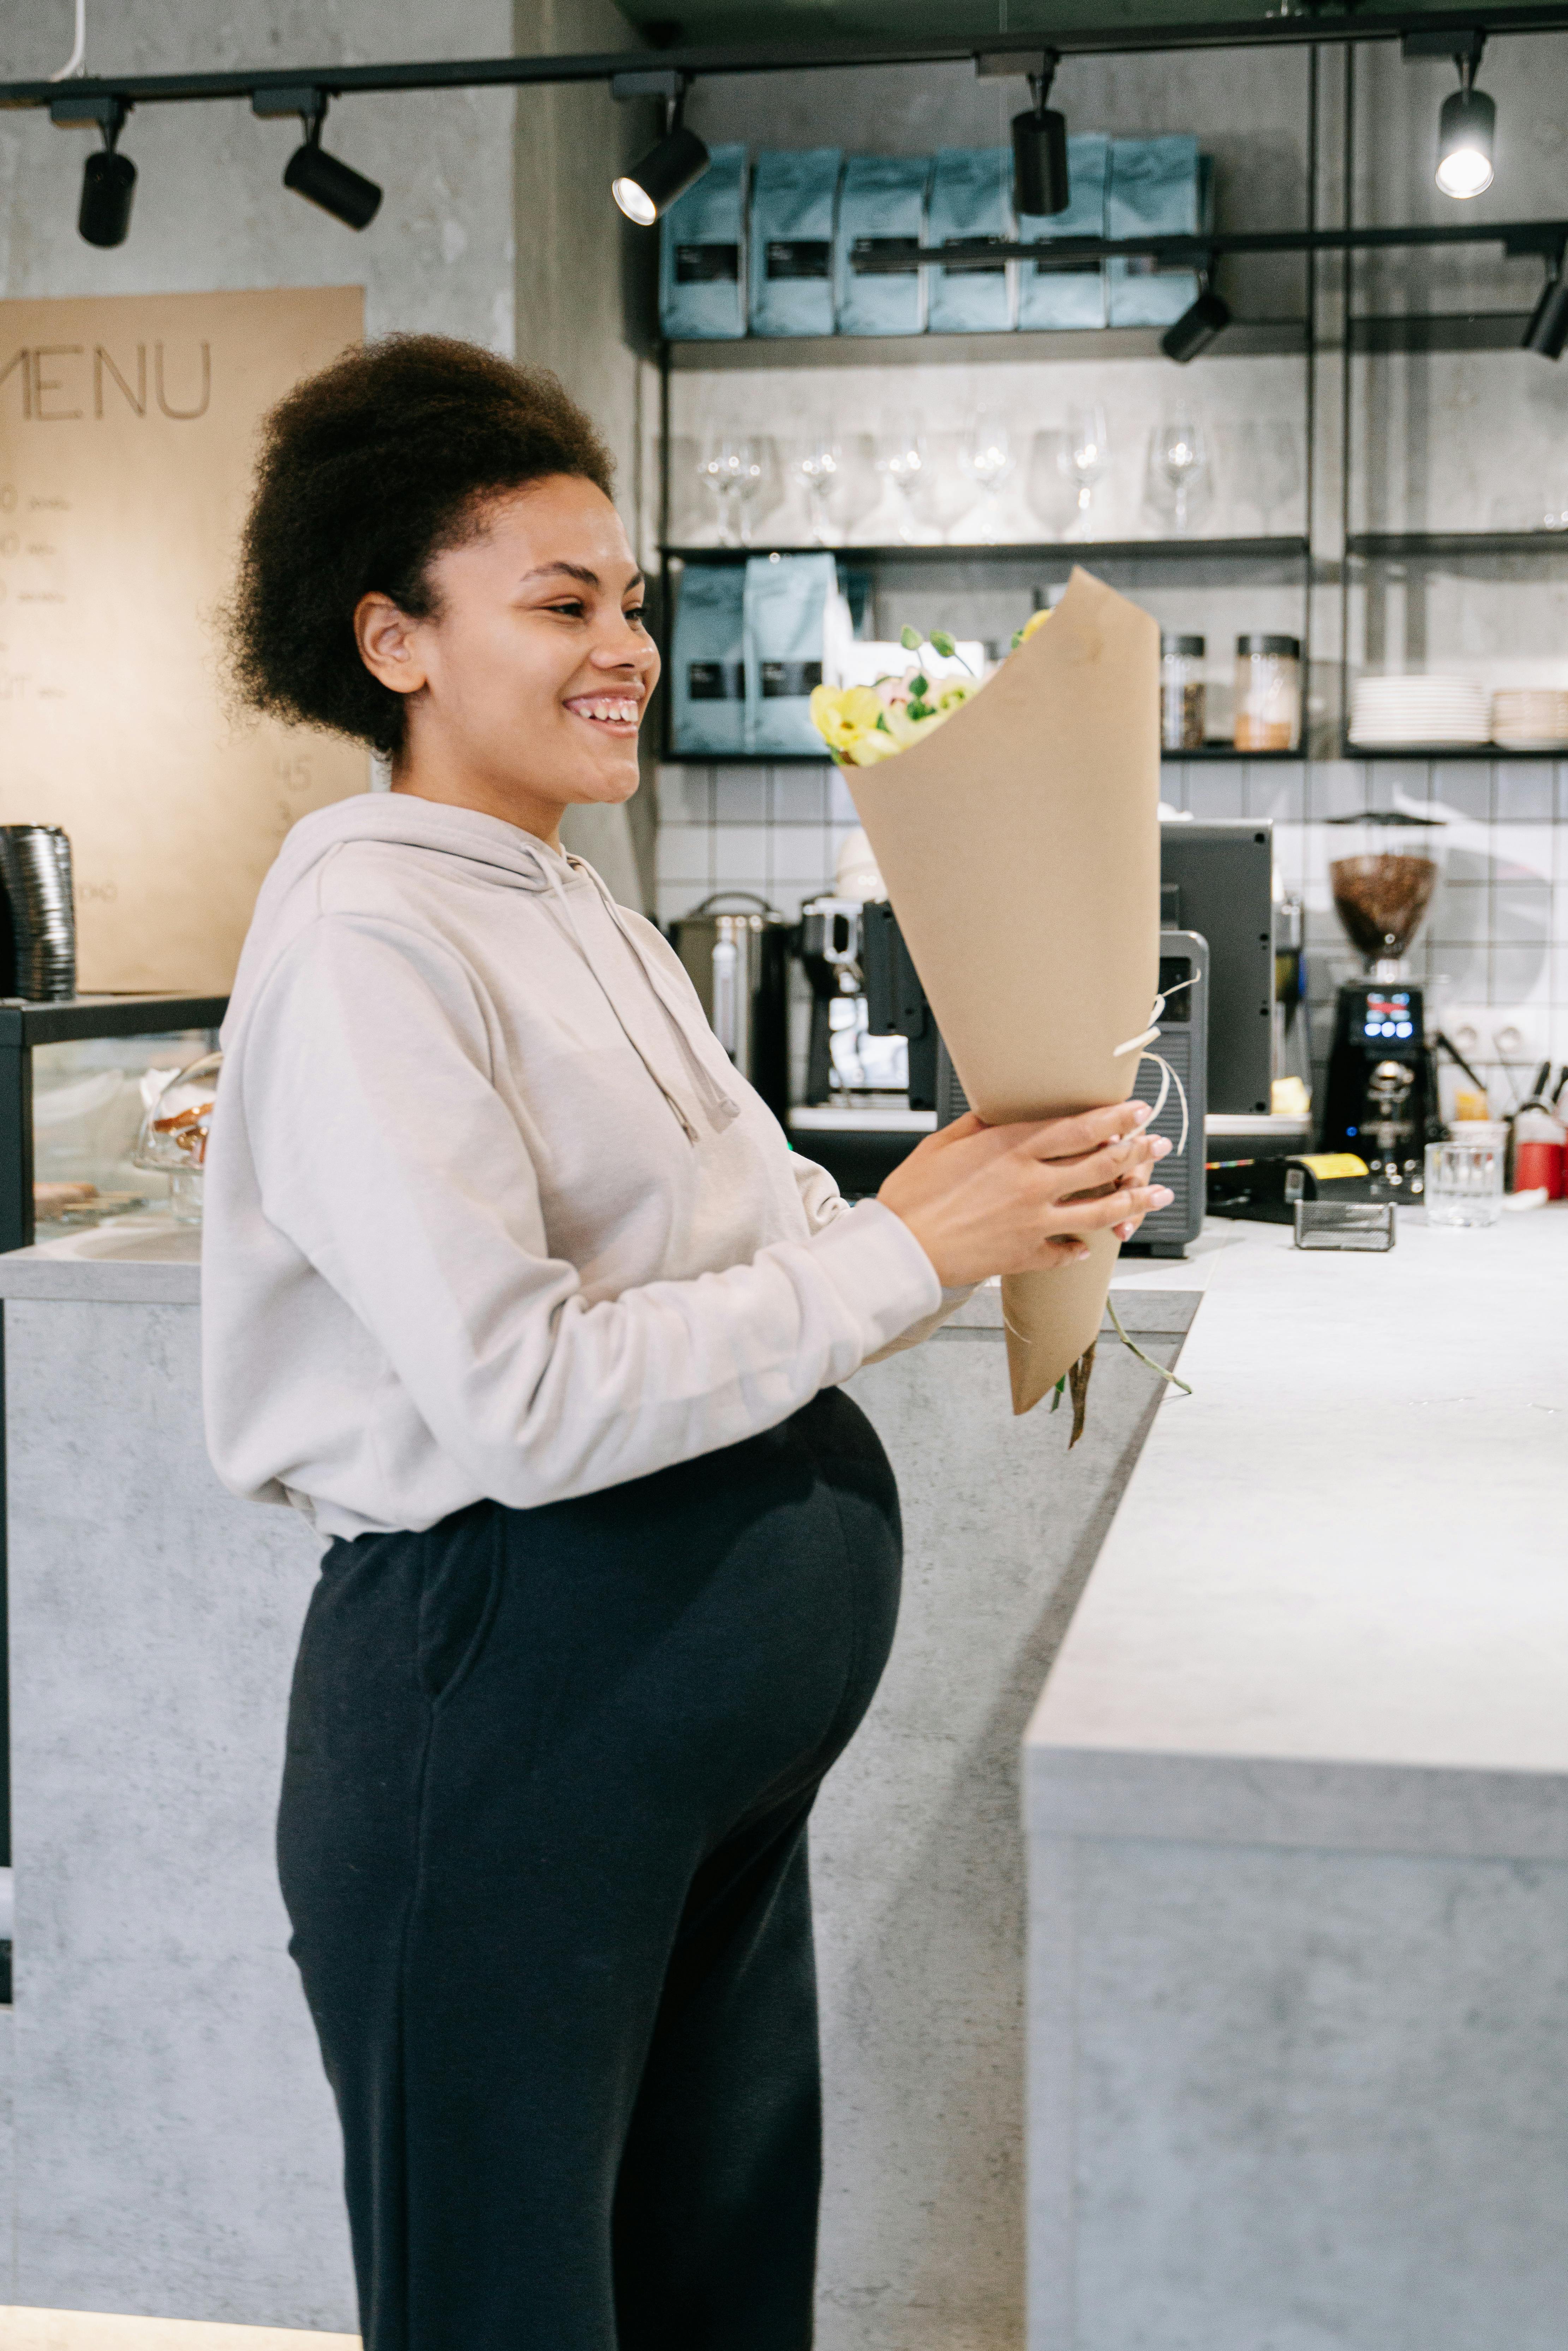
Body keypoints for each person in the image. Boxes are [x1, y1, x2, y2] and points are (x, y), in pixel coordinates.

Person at [203, 333, 1171, 2351]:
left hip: (672, 1749)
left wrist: (992, 1190)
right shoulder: (366, 934)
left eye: (627, 599)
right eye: (560, 602)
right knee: (514, 2309)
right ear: (391, 636)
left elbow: (781, 1241)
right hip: (504, 1724)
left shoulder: (576, 903)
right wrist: (915, 1248)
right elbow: (531, 1394)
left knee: (716, 2289)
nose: (624, 642)